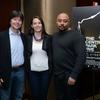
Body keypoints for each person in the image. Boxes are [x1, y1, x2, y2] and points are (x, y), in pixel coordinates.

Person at [52, 12, 86, 100]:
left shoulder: (77, 36)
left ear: (69, 22)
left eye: (65, 21)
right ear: (56, 22)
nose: (62, 23)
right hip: (57, 76)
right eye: (59, 21)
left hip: (69, 76)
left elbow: (81, 57)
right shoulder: (54, 36)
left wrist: (74, 76)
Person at [0, 10, 27, 100]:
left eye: (19, 20)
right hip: (6, 72)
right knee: (5, 97)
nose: (17, 22)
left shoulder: (24, 36)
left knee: (18, 96)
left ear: (22, 22)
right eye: (14, 19)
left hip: (20, 71)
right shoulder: (2, 36)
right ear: (10, 21)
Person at [27, 16, 52, 100]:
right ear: (31, 26)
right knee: (35, 95)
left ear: (42, 25)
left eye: (39, 23)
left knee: (43, 95)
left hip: (46, 72)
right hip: (32, 72)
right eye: (35, 23)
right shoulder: (27, 38)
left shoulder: (49, 38)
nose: (37, 25)